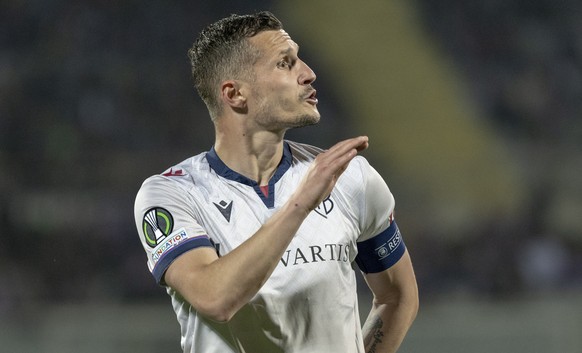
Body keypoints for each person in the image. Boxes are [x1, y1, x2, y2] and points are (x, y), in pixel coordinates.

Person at [134, 11, 418, 353]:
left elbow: (397, 296)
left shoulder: (350, 178)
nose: (309, 74)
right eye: (286, 63)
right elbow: (215, 298)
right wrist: (300, 205)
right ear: (235, 94)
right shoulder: (172, 194)